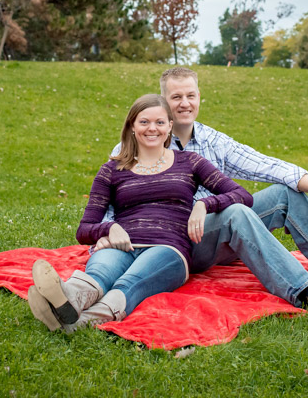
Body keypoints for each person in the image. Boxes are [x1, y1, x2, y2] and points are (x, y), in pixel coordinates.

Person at [99, 67, 308, 317]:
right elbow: (112, 204)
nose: (184, 103)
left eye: (191, 95)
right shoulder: (137, 145)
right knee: (236, 212)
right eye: (175, 97)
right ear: (162, 102)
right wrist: (108, 233)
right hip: (177, 246)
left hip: (218, 229)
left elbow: (265, 165)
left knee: (284, 194)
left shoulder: (212, 140)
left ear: (200, 97)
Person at [27, 93, 254, 333]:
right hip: (122, 242)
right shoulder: (111, 170)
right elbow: (84, 230)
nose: (152, 128)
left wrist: (203, 204)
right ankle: (69, 298)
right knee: (99, 273)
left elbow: (242, 195)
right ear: (132, 127)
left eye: (159, 122)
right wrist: (110, 228)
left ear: (169, 127)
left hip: (169, 247)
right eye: (144, 122)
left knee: (130, 282)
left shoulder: (190, 162)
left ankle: (77, 323)